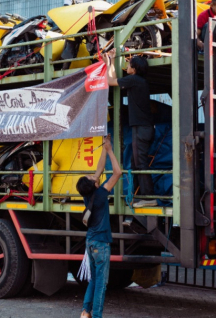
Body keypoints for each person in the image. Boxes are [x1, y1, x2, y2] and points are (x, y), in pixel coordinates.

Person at [104, 49, 157, 208]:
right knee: (136, 163)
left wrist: (109, 62)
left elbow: (109, 80)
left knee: (140, 163)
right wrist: (112, 60)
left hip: (141, 128)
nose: (127, 65)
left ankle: (149, 197)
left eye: (129, 64)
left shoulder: (134, 80)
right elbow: (114, 79)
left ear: (134, 69)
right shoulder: (139, 81)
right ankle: (140, 196)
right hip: (143, 128)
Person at [77, 134, 122, 318]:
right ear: (93, 183)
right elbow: (118, 172)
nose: (93, 174)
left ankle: (85, 312)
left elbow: (99, 168)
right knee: (101, 285)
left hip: (90, 242)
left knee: (93, 281)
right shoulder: (102, 194)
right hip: (101, 244)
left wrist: (105, 146)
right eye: (91, 176)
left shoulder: (89, 194)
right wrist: (111, 151)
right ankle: (96, 316)